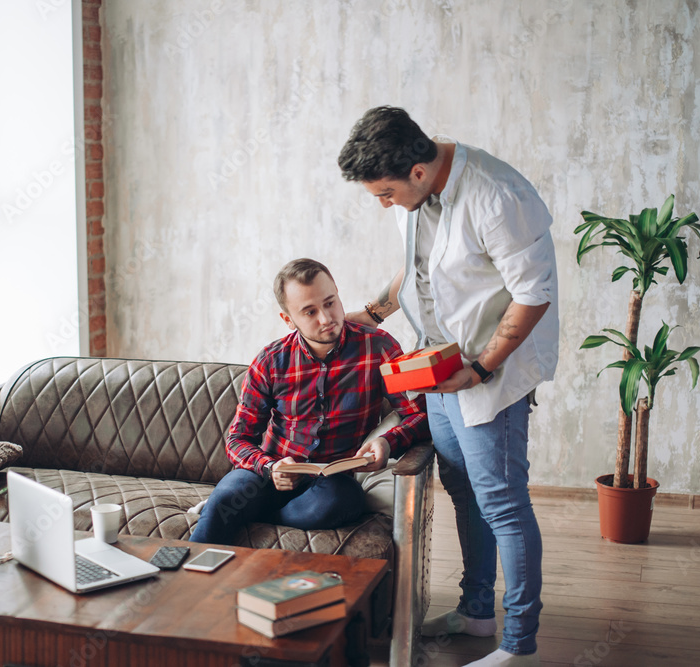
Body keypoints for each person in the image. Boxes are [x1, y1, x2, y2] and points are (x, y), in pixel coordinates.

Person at [337, 107, 559, 667]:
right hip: (436, 370)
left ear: (417, 171)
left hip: (488, 375)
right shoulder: (416, 190)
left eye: (386, 194)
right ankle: (477, 611)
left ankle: (519, 644)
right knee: (464, 491)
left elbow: (533, 294)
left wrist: (480, 369)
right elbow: (417, 266)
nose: (384, 204)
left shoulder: (498, 196)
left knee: (503, 504)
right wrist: (373, 313)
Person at [188, 258, 427, 545]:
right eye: (310, 311)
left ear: (337, 293)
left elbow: (419, 415)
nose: (326, 319)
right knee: (227, 496)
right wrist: (269, 466)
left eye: (330, 303)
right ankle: (179, 564)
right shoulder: (270, 360)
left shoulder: (378, 347)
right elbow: (238, 439)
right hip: (270, 475)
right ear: (288, 320)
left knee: (343, 500)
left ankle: (255, 515)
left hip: (332, 482)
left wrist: (388, 442)